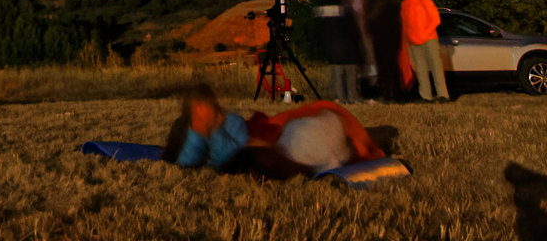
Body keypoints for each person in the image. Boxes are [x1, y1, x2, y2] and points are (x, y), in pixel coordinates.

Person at [162, 82, 388, 177]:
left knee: (301, 134)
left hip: (296, 140)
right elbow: (187, 162)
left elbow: (236, 151)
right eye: (196, 115)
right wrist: (197, 134)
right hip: (300, 143)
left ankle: (341, 152)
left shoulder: (232, 123)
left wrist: (215, 131)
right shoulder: (197, 133)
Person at [400, 0, 450, 102]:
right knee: (420, 69)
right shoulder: (404, 3)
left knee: (435, 67)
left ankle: (443, 95)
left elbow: (435, 20)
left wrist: (425, 33)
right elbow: (404, 23)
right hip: (413, 41)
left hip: (429, 40)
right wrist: (407, 40)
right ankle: (426, 96)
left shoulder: (425, 0)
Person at [365, 0, 402, 101]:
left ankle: (387, 93)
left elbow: (371, 19)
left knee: (383, 68)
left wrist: (369, 31)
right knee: (393, 66)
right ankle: (396, 94)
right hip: (392, 38)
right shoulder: (391, 0)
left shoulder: (373, 1)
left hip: (380, 37)